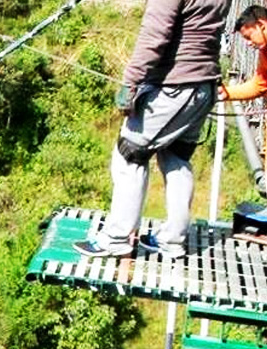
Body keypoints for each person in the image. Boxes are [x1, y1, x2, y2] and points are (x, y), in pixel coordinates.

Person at [74, 0, 231, 259]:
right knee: (175, 157)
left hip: (176, 86)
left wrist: (130, 83)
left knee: (130, 153)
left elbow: (154, 35)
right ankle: (172, 239)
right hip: (205, 86)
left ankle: (116, 238)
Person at [218, 5, 267, 198]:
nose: (248, 44)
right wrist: (226, 93)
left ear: (261, 25)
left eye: (248, 37)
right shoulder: (265, 53)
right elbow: (259, 85)